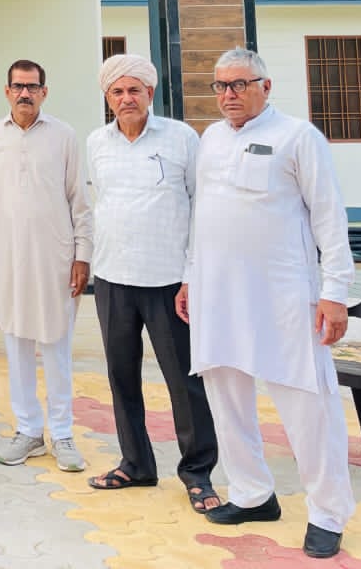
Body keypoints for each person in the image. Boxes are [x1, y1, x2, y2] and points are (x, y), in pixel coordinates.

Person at [178, 47, 356, 559]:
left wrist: (334, 293)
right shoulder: (210, 139)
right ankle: (252, 494)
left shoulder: (299, 137)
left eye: (240, 84)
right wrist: (190, 278)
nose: (228, 95)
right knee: (226, 396)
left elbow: (329, 217)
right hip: (217, 292)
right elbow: (202, 216)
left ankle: (328, 513)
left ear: (266, 86)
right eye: (221, 86)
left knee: (308, 403)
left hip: (283, 295)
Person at [85, 54, 219, 511]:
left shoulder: (181, 138)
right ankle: (136, 463)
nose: (127, 99)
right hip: (112, 278)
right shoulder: (96, 143)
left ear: (150, 94)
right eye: (117, 92)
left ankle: (197, 473)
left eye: (134, 90)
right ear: (108, 98)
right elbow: (101, 203)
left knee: (184, 380)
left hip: (168, 282)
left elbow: (200, 207)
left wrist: (191, 276)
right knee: (121, 376)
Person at [0, 60, 92, 473]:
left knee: (56, 347)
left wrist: (82, 255)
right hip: (8, 258)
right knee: (17, 344)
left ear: (44, 91)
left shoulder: (64, 135)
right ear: (6, 91)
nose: (25, 94)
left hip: (56, 258)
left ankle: (62, 434)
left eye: (32, 87)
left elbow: (78, 199)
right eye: (18, 86)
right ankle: (28, 431)